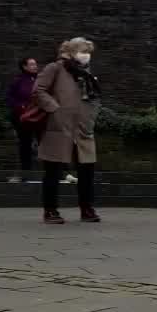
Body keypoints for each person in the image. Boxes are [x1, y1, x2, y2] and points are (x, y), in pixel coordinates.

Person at [34, 37, 102, 224]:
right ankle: (50, 210)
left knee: (87, 170)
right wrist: (55, 109)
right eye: (82, 51)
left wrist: (90, 119)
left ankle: (87, 209)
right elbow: (39, 90)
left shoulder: (86, 73)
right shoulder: (55, 68)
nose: (86, 56)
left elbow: (94, 98)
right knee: (53, 171)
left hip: (83, 129)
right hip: (59, 127)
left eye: (88, 52)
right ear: (71, 52)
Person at [4, 57, 41, 181]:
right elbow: (9, 97)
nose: (35, 66)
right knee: (25, 144)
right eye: (32, 64)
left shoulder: (40, 79)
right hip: (23, 117)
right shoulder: (18, 81)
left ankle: (54, 171)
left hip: (39, 116)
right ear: (24, 67)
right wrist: (20, 107)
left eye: (35, 64)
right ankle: (26, 172)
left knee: (45, 142)